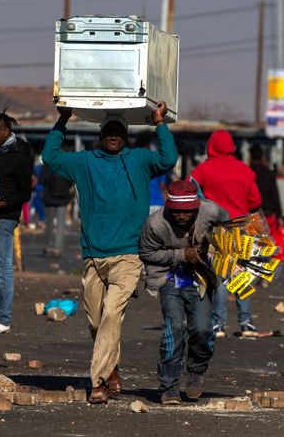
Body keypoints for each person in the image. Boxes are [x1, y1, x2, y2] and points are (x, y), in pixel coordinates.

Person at [43, 101, 177, 404]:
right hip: (93, 255)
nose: (113, 135)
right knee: (96, 321)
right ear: (101, 134)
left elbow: (169, 158)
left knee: (112, 314)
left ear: (126, 135)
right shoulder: (84, 162)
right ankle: (112, 368)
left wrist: (159, 123)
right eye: (109, 130)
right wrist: (62, 121)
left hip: (129, 255)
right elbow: (49, 156)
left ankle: (99, 383)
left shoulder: (140, 160)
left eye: (119, 130)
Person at [139, 180, 229, 405]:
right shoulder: (155, 224)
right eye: (176, 211)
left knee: (202, 329)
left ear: (196, 207)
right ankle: (169, 387)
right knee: (174, 329)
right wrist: (181, 255)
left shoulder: (211, 211)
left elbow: (231, 229)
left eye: (186, 212)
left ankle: (196, 372)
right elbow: (147, 253)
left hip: (201, 280)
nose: (181, 216)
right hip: (169, 279)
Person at [189, 130, 261, 338]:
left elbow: (189, 191)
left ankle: (218, 324)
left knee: (221, 276)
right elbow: (256, 201)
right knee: (241, 274)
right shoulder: (245, 171)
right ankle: (246, 322)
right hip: (242, 228)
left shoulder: (203, 170)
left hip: (216, 228)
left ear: (211, 146)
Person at [0, 109, 33, 334]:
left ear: (6, 131)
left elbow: (25, 193)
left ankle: (3, 318)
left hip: (5, 216)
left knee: (1, 268)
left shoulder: (20, 155)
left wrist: (1, 204)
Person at [39, 161, 73, 258]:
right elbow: (71, 180)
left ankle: (49, 246)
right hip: (63, 198)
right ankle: (58, 248)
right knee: (61, 224)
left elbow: (42, 180)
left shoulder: (47, 164)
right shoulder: (65, 164)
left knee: (49, 223)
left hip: (49, 198)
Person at [249, 145, 282, 220]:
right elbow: (274, 194)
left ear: (250, 157)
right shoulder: (269, 173)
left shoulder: (246, 172)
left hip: (250, 212)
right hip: (267, 213)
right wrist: (278, 214)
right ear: (262, 157)